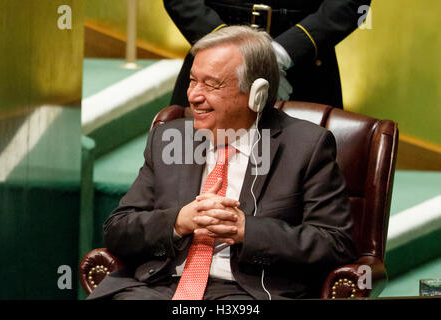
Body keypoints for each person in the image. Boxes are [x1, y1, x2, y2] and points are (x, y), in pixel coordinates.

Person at [88, 26, 356, 300]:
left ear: (256, 93)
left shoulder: (306, 146)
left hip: (246, 293)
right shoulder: (170, 138)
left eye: (211, 84)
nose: (193, 96)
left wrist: (246, 231)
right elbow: (118, 229)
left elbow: (335, 244)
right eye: (193, 81)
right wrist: (179, 221)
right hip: (158, 287)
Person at [164, 0, 372, 109]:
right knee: (188, 174)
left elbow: (352, 3)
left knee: (305, 178)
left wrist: (282, 54)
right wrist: (228, 49)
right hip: (213, 56)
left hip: (303, 66)